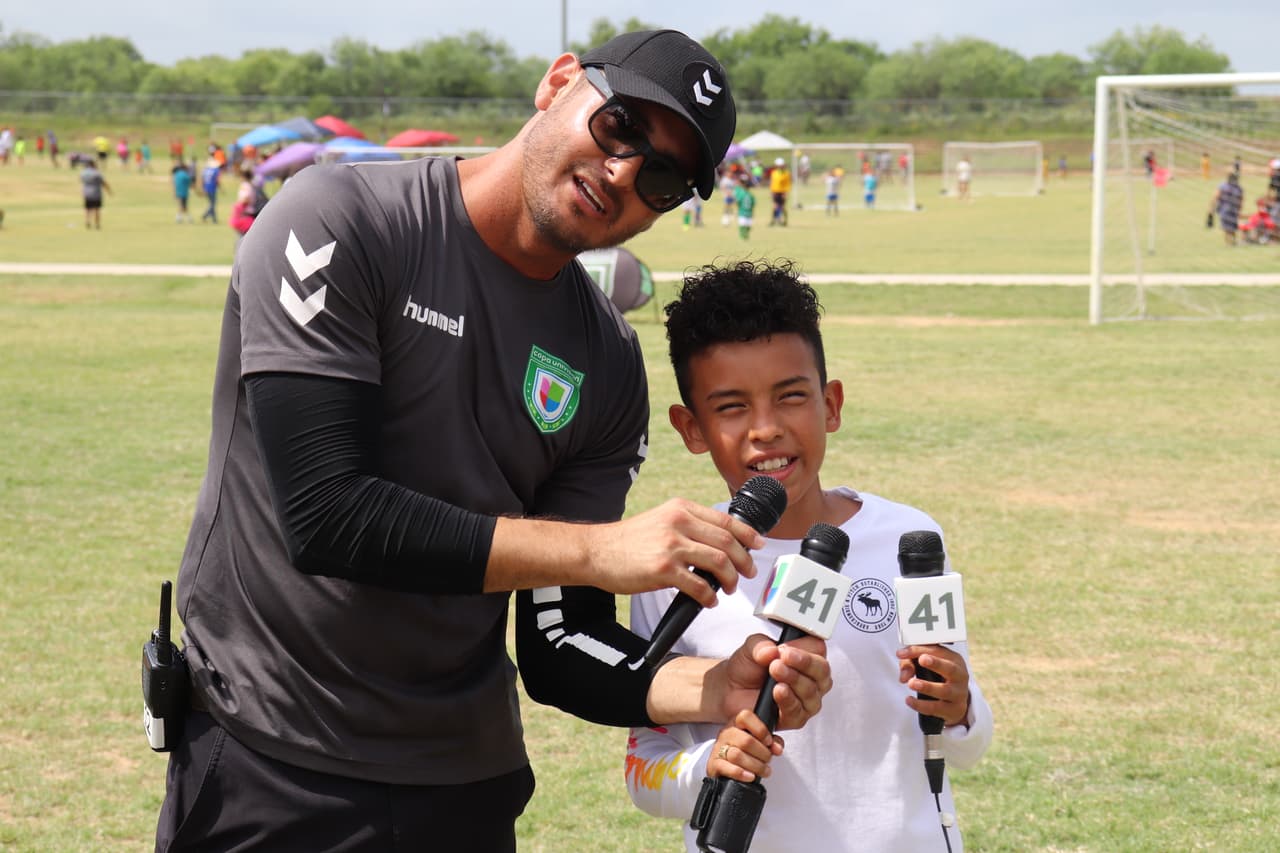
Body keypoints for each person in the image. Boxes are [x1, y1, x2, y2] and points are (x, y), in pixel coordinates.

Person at [154, 29, 832, 853]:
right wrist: (596, 552)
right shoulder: (340, 220)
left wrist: (712, 685)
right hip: (272, 760)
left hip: (463, 786)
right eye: (620, 125)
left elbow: (556, 643)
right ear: (558, 83)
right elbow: (325, 514)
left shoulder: (608, 365)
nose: (622, 172)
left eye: (659, 177)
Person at [625, 260, 993, 852]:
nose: (765, 429)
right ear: (691, 429)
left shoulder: (909, 539)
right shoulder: (675, 569)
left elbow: (966, 744)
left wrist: (960, 707)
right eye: (732, 407)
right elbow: (644, 770)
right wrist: (707, 765)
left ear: (831, 405)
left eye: (790, 397)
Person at [1208, 171, 1244, 246]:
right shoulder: (1224, 186)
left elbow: (1241, 200)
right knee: (1227, 227)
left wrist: (1239, 210)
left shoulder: (1237, 188)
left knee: (1232, 227)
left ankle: (1232, 242)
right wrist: (1211, 209)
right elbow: (1216, 197)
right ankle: (1229, 243)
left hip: (1232, 210)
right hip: (1225, 209)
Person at [79, 157, 111, 229]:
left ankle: (87, 221)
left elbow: (81, 180)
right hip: (96, 193)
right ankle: (97, 224)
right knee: (97, 209)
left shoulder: (83, 172)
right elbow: (103, 183)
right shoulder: (97, 173)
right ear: (94, 164)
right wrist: (109, 191)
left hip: (87, 193)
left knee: (87, 209)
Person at [734, 171, 756, 240]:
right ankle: (743, 236)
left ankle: (745, 235)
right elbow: (737, 200)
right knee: (742, 224)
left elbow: (753, 203)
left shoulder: (749, 194)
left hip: (748, 212)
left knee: (747, 225)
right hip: (743, 211)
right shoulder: (738, 190)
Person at [198, 157, 221, 223]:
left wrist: (203, 188)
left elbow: (202, 180)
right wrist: (221, 189)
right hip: (212, 189)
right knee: (212, 204)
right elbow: (217, 180)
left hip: (206, 188)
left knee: (212, 203)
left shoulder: (205, 170)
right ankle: (205, 215)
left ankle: (214, 219)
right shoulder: (216, 170)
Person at [769, 157, 790, 226]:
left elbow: (787, 184)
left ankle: (785, 220)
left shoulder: (786, 174)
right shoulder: (774, 173)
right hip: (775, 192)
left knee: (782, 207)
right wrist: (771, 192)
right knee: (775, 207)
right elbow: (772, 183)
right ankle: (774, 220)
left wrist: (786, 193)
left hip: (782, 192)